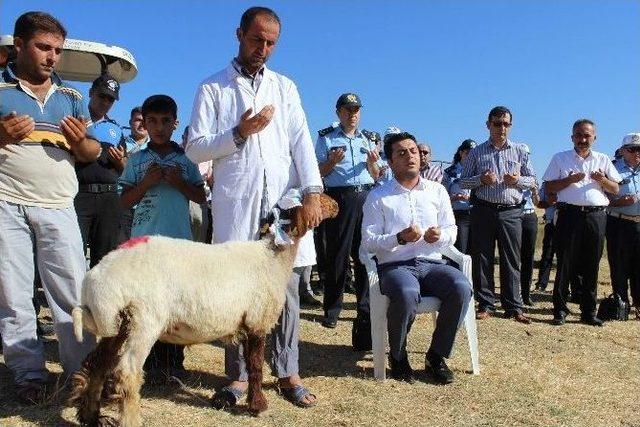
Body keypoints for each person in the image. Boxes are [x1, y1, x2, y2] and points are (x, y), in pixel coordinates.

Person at [186, 6, 323, 408]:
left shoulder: (285, 87)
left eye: (271, 43)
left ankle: (288, 371)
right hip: (238, 202)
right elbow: (195, 148)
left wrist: (313, 192)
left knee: (288, 289)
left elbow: (300, 141)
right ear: (239, 34)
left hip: (281, 206)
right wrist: (239, 133)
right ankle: (241, 376)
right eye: (256, 39)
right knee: (238, 291)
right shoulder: (212, 88)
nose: (263, 48)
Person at [0, 11, 99, 403]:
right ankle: (29, 376)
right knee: (14, 293)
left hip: (59, 205)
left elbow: (91, 152)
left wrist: (80, 143)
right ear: (19, 45)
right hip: (6, 204)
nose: (52, 57)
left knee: (73, 293)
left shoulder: (72, 97)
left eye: (57, 50)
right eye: (43, 47)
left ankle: (83, 373)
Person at [362, 131, 472, 384]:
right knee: (407, 291)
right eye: (401, 153)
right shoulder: (379, 196)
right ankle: (398, 356)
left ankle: (436, 356)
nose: (410, 156)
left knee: (461, 286)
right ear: (390, 162)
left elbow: (451, 231)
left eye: (413, 151)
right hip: (395, 266)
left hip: (433, 263)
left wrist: (439, 236)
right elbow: (369, 242)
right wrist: (398, 238)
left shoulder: (437, 191)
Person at [119, 94, 206, 379]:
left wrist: (179, 181)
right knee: (146, 304)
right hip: (144, 243)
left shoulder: (186, 159)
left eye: (165, 121)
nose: (159, 127)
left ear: (175, 123)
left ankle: (173, 363)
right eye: (152, 121)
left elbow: (200, 196)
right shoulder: (137, 159)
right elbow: (124, 201)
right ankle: (150, 363)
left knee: (175, 305)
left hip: (178, 243)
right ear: (143, 123)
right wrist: (147, 182)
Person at [459, 106, 536, 324]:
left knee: (512, 258)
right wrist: (480, 180)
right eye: (497, 123)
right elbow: (463, 181)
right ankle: (486, 304)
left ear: (510, 126)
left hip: (511, 211)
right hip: (483, 209)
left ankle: (513, 306)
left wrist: (517, 181)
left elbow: (532, 181)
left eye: (506, 124)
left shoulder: (520, 151)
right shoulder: (477, 152)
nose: (502, 128)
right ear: (488, 125)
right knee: (482, 257)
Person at [315, 92, 379, 351]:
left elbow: (376, 175)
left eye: (356, 110)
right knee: (337, 256)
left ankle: (364, 307)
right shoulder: (326, 138)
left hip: (365, 196)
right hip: (339, 199)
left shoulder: (369, 139)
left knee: (364, 254)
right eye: (347, 109)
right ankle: (332, 310)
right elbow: (316, 172)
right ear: (338, 112)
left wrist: (372, 164)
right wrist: (330, 162)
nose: (353, 114)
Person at [542, 119, 620, 326]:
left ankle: (588, 311)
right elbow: (549, 187)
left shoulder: (603, 160)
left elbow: (616, 189)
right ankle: (559, 310)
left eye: (587, 135)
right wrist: (569, 180)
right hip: (569, 215)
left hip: (596, 216)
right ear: (572, 137)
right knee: (565, 264)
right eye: (578, 135)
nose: (583, 139)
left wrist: (602, 180)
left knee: (591, 264)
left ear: (594, 137)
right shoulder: (560, 158)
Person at [74, 74, 127, 267]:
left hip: (109, 199)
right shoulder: (76, 120)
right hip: (79, 195)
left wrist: (120, 161)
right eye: (102, 96)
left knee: (106, 260)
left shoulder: (116, 130)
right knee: (72, 254)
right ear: (91, 93)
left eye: (110, 99)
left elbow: (125, 169)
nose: (105, 102)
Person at [606, 133, 640, 320]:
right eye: (633, 149)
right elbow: (602, 200)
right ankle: (621, 304)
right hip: (619, 223)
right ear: (623, 150)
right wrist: (620, 202)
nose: (637, 153)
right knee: (619, 265)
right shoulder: (612, 170)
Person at [119, 106, 149, 242]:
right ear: (130, 122)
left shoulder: (157, 147)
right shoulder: (118, 142)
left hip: (147, 209)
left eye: (146, 120)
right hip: (121, 205)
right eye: (138, 120)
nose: (142, 124)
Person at [442, 139, 476, 253]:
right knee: (461, 249)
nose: (470, 156)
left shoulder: (478, 171)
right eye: (468, 153)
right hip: (458, 214)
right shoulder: (450, 172)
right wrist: (455, 198)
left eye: (473, 153)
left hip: (476, 214)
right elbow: (443, 196)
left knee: (475, 251)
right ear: (461, 153)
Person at [181, 125, 212, 243]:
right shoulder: (174, 156)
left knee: (199, 241)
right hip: (179, 203)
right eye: (187, 139)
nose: (189, 142)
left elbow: (211, 182)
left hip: (200, 203)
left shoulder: (208, 158)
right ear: (183, 138)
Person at [534, 185, 558, 292]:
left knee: (567, 257)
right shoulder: (546, 184)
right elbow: (538, 203)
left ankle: (565, 288)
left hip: (568, 223)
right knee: (547, 255)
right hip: (551, 222)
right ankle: (541, 284)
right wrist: (549, 202)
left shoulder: (571, 181)